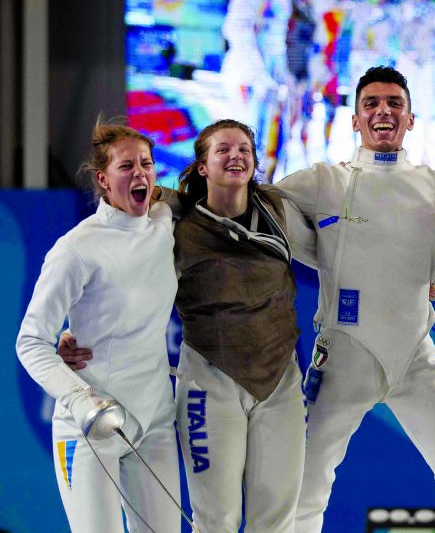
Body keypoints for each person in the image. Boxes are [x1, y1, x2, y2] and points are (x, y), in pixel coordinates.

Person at [277, 65, 435, 533]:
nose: (383, 111)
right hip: (340, 362)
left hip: (415, 361)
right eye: (371, 104)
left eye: (394, 104)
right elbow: (255, 207)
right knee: (301, 492)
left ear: (410, 119)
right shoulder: (322, 181)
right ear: (354, 119)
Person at [16, 123, 181, 533]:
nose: (140, 173)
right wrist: (80, 399)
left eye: (146, 163)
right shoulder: (76, 249)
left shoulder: (163, 221)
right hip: (92, 427)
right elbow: (31, 341)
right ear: (103, 180)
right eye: (127, 166)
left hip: (155, 420)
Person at [171, 119, 317, 532]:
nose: (235, 156)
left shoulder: (278, 209)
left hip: (279, 382)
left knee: (276, 521)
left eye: (244, 150)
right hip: (208, 381)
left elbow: (338, 252)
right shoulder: (176, 225)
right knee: (216, 521)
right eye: (223, 150)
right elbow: (129, 281)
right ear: (202, 166)